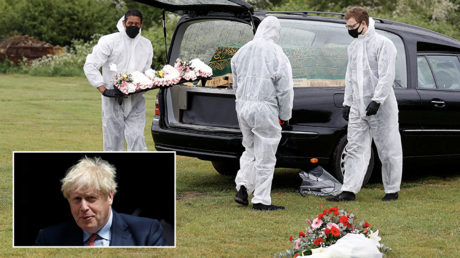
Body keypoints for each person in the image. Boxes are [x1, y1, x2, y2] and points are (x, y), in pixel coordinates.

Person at [326, 7, 402, 202]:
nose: (349, 30)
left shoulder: (383, 44)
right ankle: (349, 190)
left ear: (363, 24)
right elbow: (350, 77)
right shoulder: (353, 47)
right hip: (358, 107)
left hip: (381, 107)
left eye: (351, 26)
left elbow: (387, 75)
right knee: (354, 147)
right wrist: (347, 102)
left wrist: (377, 100)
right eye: (347, 26)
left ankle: (392, 190)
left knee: (388, 148)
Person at [232, 16, 294, 211]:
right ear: (275, 31)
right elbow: (284, 88)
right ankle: (261, 200)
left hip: (243, 107)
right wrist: (285, 115)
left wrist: (242, 102)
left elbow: (236, 84)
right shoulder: (276, 52)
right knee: (266, 156)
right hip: (265, 109)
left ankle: (243, 187)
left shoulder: (242, 51)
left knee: (249, 150)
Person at [34, 157, 169, 246]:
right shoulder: (48, 239)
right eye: (76, 199)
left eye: (91, 198)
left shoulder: (147, 233)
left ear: (110, 197)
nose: (83, 207)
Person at [84, 10, 153, 151]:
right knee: (113, 139)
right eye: (130, 23)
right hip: (113, 99)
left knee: (137, 137)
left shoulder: (146, 44)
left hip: (136, 99)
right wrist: (103, 89)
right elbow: (90, 65)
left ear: (141, 24)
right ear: (124, 23)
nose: (133, 26)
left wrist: (150, 82)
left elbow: (147, 70)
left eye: (136, 24)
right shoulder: (109, 41)